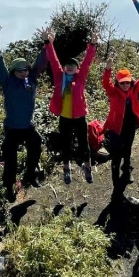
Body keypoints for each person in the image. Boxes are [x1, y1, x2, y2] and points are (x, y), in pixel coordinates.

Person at [0, 28, 50, 200]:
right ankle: (9, 187)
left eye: (26, 69)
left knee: (36, 145)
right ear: (14, 71)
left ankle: (30, 175)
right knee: (10, 159)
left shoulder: (31, 79)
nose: (24, 72)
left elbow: (40, 62)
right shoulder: (8, 82)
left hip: (28, 126)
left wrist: (46, 43)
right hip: (12, 128)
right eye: (20, 70)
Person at [46, 30, 99, 184]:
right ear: (64, 68)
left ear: (77, 69)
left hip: (80, 117)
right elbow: (53, 60)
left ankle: (88, 168)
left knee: (84, 144)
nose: (70, 66)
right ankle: (66, 169)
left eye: (73, 65)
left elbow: (87, 61)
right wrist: (48, 43)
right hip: (65, 117)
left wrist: (93, 44)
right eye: (67, 65)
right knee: (66, 144)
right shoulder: (59, 77)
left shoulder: (80, 77)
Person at [102, 50, 139, 200]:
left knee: (128, 149)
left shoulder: (135, 89)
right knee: (117, 154)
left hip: (130, 125)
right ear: (118, 82)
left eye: (127, 82)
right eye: (122, 82)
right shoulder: (113, 92)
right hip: (116, 127)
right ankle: (116, 182)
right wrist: (108, 69)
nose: (125, 84)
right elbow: (105, 82)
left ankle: (127, 169)